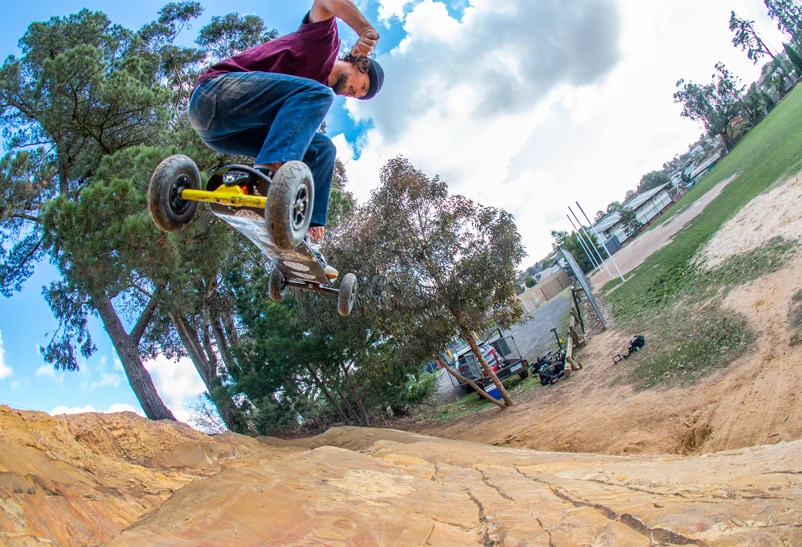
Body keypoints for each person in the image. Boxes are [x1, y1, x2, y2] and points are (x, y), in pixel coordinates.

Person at [188, 0, 385, 279]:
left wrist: (313, 216)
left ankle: (302, 225)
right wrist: (365, 29)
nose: (353, 94)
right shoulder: (323, 43)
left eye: (358, 96)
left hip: (222, 132)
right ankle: (267, 177)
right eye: (360, 87)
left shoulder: (304, 100)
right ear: (359, 64)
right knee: (319, 95)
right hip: (214, 95)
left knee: (321, 149)